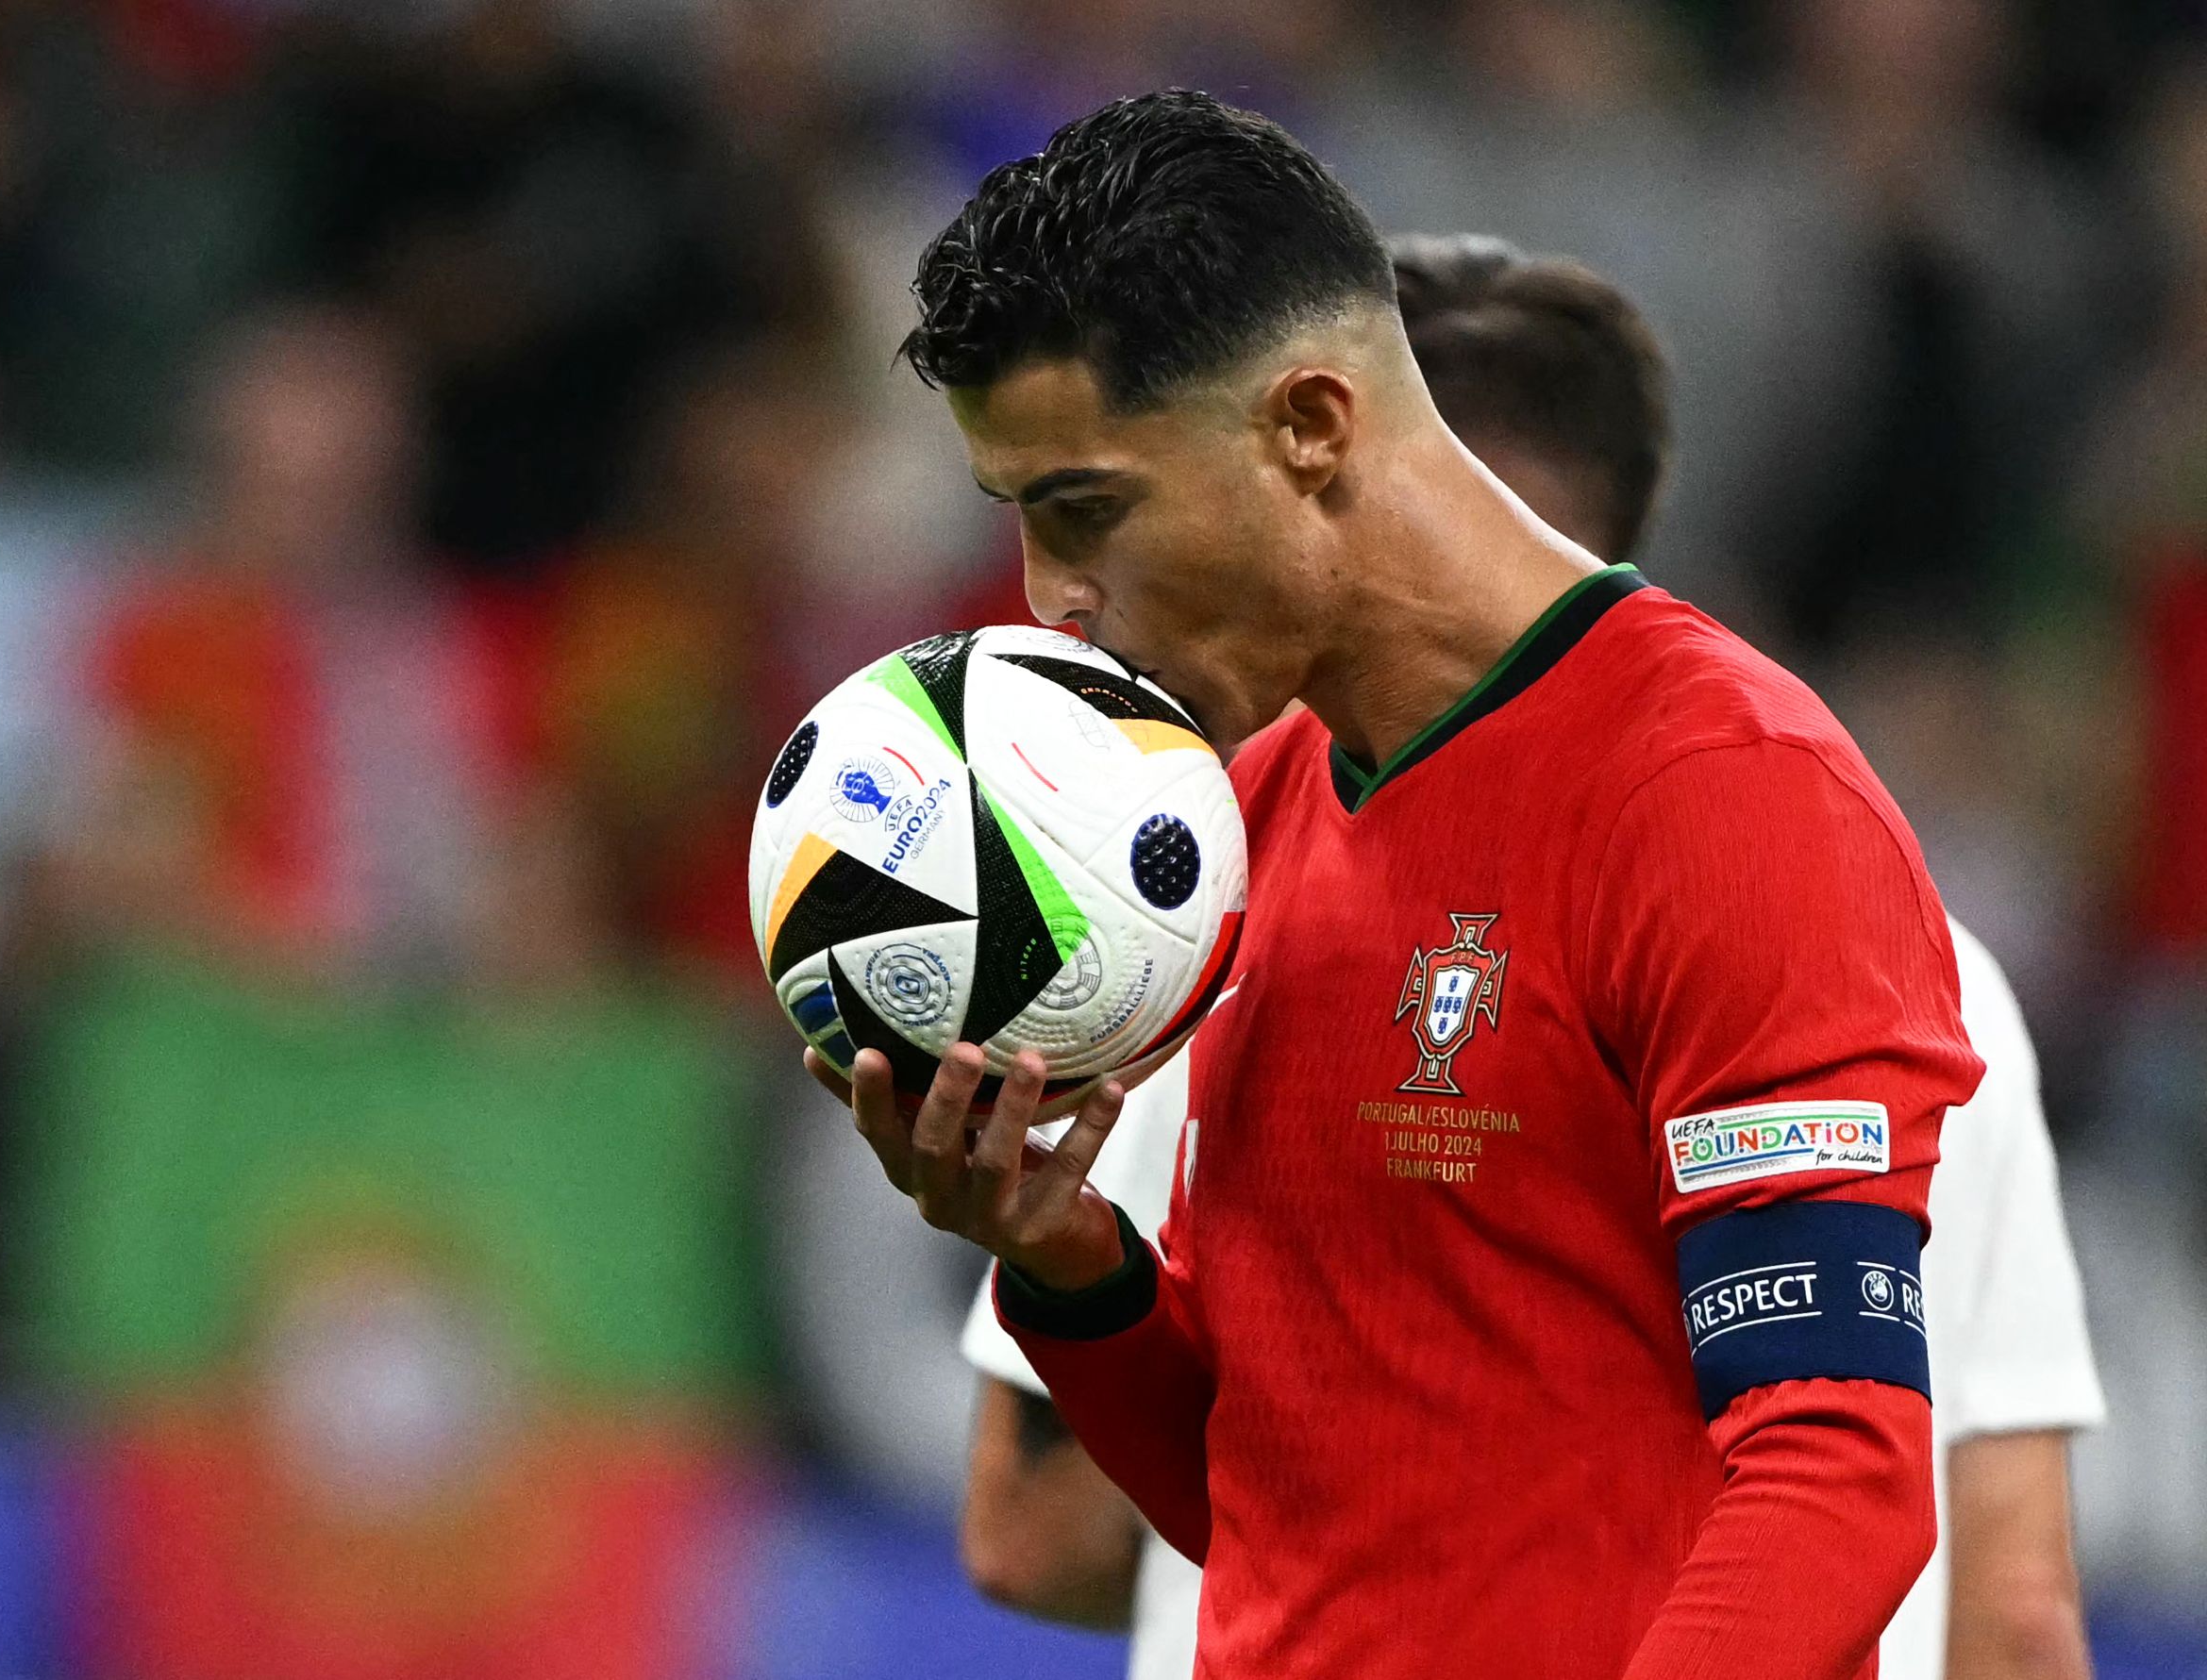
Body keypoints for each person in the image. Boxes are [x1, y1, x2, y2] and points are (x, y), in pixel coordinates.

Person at [811, 91, 1984, 1679]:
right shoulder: (1238, 823)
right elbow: (1287, 1511)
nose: (1050, 606)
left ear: (1309, 423)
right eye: (1021, 522)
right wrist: (1066, 1261)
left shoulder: (1723, 794)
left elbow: (1835, 1478)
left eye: (1086, 510)